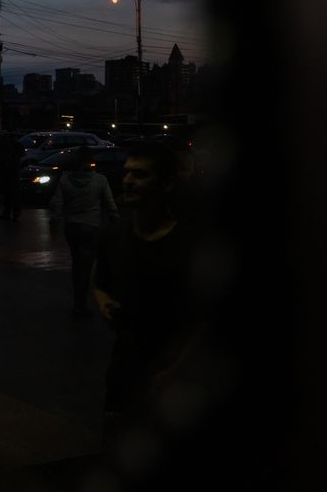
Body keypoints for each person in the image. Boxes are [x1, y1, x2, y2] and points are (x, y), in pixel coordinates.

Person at [93, 142, 202, 440]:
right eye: (126, 172)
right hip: (123, 374)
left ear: (166, 184)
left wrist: (176, 372)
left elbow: (207, 319)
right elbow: (99, 281)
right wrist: (105, 303)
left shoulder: (189, 246)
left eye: (140, 174)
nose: (128, 180)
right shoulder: (114, 237)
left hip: (174, 379)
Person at [49, 147, 119, 317]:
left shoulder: (65, 180)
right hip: (91, 226)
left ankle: (78, 302)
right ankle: (82, 302)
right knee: (86, 266)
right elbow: (110, 205)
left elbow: (56, 205)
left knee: (76, 263)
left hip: (71, 226)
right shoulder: (100, 180)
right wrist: (116, 225)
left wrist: (54, 225)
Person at [0, 133, 24, 221]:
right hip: (11, 172)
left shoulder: (10, 146)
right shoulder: (14, 146)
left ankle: (11, 213)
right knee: (10, 194)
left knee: (11, 194)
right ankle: (11, 213)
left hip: (11, 172)